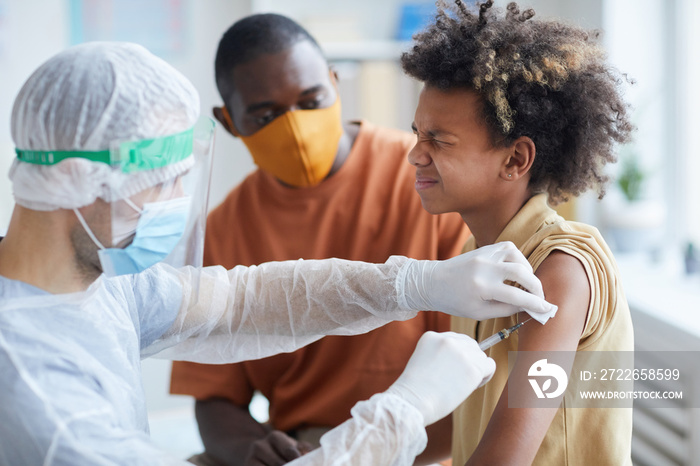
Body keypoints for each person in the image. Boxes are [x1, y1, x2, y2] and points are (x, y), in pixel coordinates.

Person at [0, 41, 556, 465]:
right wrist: (405, 409)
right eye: (160, 182)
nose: (176, 202)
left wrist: (415, 285)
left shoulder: (93, 285)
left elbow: (245, 301)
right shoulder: (38, 396)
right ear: (76, 181)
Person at [169, 14, 469, 466]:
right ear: (229, 122)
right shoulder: (222, 230)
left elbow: (480, 368)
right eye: (266, 116)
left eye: (311, 101)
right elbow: (213, 399)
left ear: (334, 83)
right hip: (304, 447)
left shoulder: (428, 181)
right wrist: (256, 449)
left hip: (424, 442)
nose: (295, 127)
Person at [400, 1, 635, 464]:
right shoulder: (474, 258)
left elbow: (503, 457)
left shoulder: (560, 270)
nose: (415, 154)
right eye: (417, 134)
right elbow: (464, 420)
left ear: (515, 159)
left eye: (439, 140)